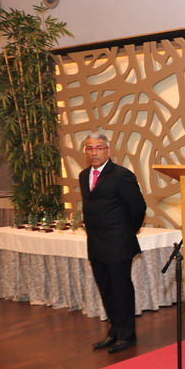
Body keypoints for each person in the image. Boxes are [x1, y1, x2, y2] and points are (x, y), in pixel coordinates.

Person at [79, 132, 147, 354]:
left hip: (118, 243)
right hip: (95, 243)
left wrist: (126, 233)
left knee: (121, 289)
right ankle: (114, 331)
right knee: (106, 289)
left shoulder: (121, 175)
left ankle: (127, 335)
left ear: (108, 151)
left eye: (99, 148)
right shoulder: (84, 175)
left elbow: (138, 208)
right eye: (90, 148)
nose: (94, 152)